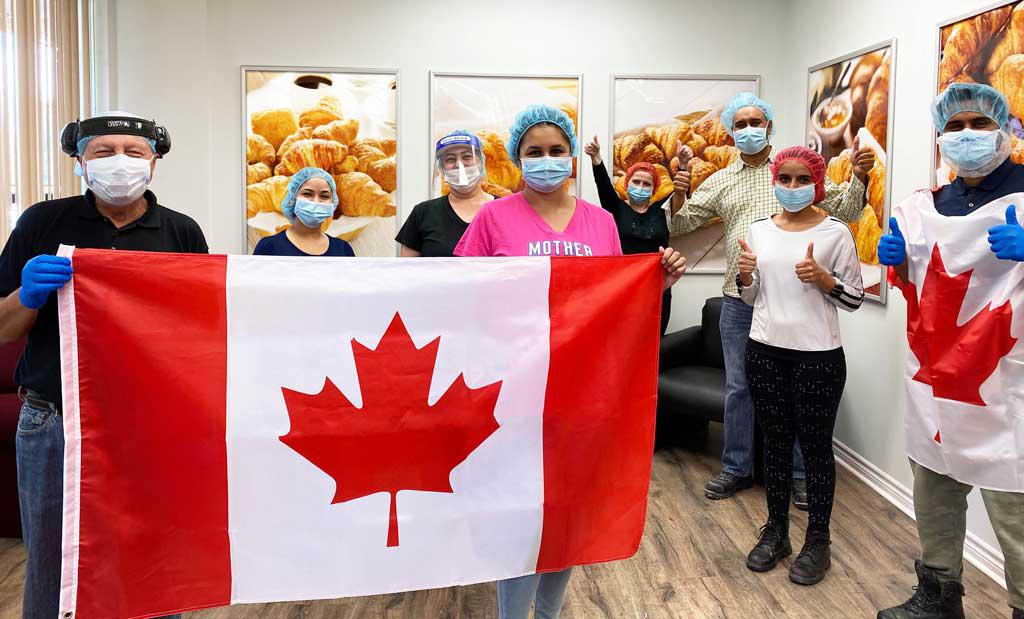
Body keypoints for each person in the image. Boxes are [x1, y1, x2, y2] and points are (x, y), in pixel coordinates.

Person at [455, 104, 686, 619]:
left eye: (557, 151)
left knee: (567, 516)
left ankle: (550, 614)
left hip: (582, 394)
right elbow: (462, 293)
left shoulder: (600, 221)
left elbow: (614, 300)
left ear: (573, 158)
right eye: (534, 152)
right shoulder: (493, 217)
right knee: (519, 516)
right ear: (517, 158)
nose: (546, 160)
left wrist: (655, 283)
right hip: (513, 389)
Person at [0, 111, 206, 619]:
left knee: (153, 556)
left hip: (149, 421)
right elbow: (3, 329)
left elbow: (200, 334)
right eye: (102, 152)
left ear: (154, 163)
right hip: (54, 420)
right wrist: (27, 295)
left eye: (134, 152)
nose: (119, 162)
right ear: (79, 162)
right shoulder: (42, 223)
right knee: (53, 562)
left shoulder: (180, 233)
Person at [670, 92, 875, 506]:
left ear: (770, 126)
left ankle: (799, 473)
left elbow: (849, 210)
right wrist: (679, 191)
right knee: (738, 388)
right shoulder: (723, 180)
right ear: (731, 131)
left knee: (796, 392)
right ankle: (736, 467)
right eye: (740, 123)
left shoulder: (792, 169)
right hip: (738, 300)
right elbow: (679, 223)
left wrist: (860, 175)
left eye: (756, 121)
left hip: (795, 300)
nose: (748, 129)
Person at [877, 83, 1024, 619]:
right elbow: (921, 285)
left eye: (979, 124)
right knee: (934, 489)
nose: (966, 135)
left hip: (1008, 380)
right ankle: (939, 597)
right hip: (936, 377)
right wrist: (896, 263)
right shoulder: (929, 204)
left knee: (1015, 509)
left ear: (1005, 129)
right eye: (955, 126)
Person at [737, 146, 863, 586]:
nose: (792, 188)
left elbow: (854, 299)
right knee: (774, 444)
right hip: (764, 351)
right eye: (784, 179)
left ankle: (818, 540)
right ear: (775, 181)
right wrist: (746, 276)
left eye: (801, 180)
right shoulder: (757, 230)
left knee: (814, 449)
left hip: (818, 358)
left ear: (817, 183)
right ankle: (776, 532)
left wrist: (825, 280)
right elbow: (751, 298)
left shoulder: (836, 233)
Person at [584, 135, 686, 334]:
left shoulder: (662, 210)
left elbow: (680, 191)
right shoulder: (616, 208)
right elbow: (603, 184)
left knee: (653, 340)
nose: (640, 187)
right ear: (626, 184)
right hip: (623, 286)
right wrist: (596, 158)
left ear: (654, 189)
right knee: (622, 337)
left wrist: (683, 165)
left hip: (658, 288)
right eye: (636, 181)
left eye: (646, 184)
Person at [396, 130, 493, 257]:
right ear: (442, 168)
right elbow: (406, 270)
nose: (459, 165)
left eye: (467, 157)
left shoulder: (503, 210)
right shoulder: (423, 213)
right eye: (450, 159)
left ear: (481, 162)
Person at [253, 167, 355, 257]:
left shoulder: (343, 250)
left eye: (324, 196)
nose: (316, 201)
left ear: (333, 204)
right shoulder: (269, 247)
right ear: (292, 199)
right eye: (307, 194)